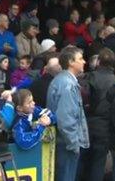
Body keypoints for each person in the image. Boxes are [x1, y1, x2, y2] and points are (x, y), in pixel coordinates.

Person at [46, 46, 89, 181]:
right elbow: (66, 119)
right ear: (71, 62)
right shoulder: (67, 84)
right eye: (80, 59)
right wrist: (74, 143)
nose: (84, 62)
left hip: (64, 142)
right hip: (66, 144)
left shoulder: (63, 81)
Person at [81, 48, 115, 181]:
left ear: (99, 61)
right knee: (98, 163)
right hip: (104, 126)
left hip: (87, 123)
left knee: (83, 161)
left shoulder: (89, 77)